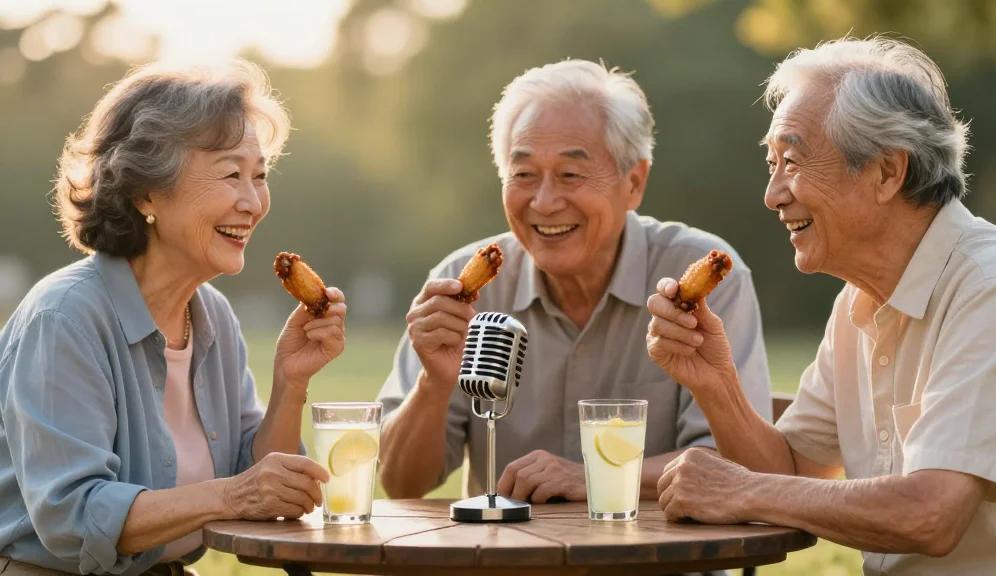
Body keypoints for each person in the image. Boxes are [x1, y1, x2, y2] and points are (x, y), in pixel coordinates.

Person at [648, 37, 996, 574]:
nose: (773, 193)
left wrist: (743, 491)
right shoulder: (858, 301)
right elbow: (794, 469)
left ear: (887, 173)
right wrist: (715, 380)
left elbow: (932, 514)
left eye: (793, 162)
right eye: (771, 163)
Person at [0, 61, 345, 575]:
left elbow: (255, 483)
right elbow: (72, 515)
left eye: (260, 177)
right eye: (231, 174)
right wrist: (235, 495)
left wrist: (291, 382)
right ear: (145, 193)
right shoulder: (65, 318)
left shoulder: (212, 317)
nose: (252, 203)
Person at [377, 59, 771, 502]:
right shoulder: (459, 286)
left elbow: (736, 466)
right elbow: (401, 483)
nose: (544, 203)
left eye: (570, 175)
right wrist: (434, 382)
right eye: (523, 174)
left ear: (634, 183)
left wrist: (594, 476)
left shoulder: (703, 279)